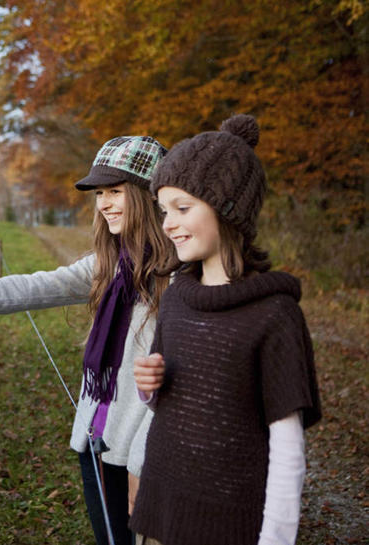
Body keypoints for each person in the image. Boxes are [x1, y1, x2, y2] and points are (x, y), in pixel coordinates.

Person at [0, 136, 175, 545]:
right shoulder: (110, 265)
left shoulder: (178, 280)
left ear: (148, 196)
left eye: (116, 192)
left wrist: (143, 466)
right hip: (95, 442)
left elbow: (177, 389)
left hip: (141, 458)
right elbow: (32, 288)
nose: (104, 203)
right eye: (99, 193)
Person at [131, 114, 322, 545]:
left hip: (230, 522)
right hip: (162, 509)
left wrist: (275, 537)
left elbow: (288, 445)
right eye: (164, 211)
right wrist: (148, 384)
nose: (168, 224)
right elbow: (166, 401)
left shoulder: (274, 314)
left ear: (228, 210)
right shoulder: (178, 295)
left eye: (183, 208)